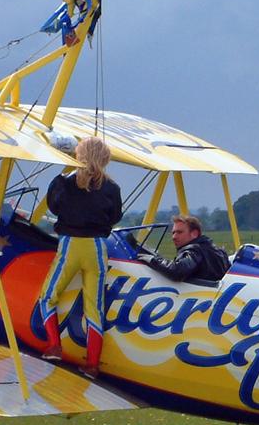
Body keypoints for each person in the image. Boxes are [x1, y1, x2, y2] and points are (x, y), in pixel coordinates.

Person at [38, 137, 123, 378]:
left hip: (70, 245)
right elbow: (115, 216)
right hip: (97, 247)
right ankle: (92, 364)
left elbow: (54, 207)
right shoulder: (112, 188)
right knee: (94, 308)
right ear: (105, 158)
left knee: (48, 297)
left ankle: (55, 345)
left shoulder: (66, 183)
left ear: (78, 156)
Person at [144, 214, 231, 284]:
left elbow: (178, 271)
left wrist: (153, 260)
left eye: (179, 232)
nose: (174, 237)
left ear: (194, 234)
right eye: (173, 233)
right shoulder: (218, 251)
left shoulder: (194, 250)